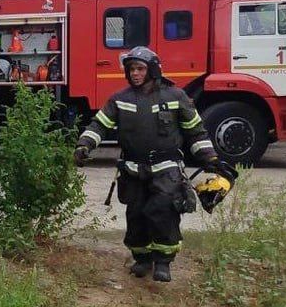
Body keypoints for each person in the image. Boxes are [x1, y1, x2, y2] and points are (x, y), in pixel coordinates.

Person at [73, 46, 218, 282]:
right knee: (137, 215)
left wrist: (209, 157)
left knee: (163, 212)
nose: (135, 74)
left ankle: (163, 262)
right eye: (131, 69)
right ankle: (142, 259)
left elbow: (196, 132)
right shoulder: (121, 99)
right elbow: (99, 125)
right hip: (132, 169)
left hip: (167, 168)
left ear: (152, 70)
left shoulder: (176, 96)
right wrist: (84, 145)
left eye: (140, 68)